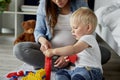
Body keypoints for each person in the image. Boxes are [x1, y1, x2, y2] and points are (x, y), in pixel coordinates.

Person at [13, 0, 88, 70]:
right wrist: (43, 41)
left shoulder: (80, 4)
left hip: (75, 50)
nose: (58, 1)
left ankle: (50, 64)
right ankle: (62, 65)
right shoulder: (44, 4)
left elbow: (88, 33)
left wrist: (68, 55)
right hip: (51, 51)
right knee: (19, 49)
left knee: (95, 50)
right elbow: (39, 30)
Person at [43, 7, 103, 80]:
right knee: (61, 73)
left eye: (75, 28)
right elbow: (76, 55)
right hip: (78, 70)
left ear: (88, 28)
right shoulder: (81, 41)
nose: (72, 31)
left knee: (78, 76)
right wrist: (68, 58)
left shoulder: (88, 38)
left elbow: (74, 49)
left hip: (91, 71)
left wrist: (53, 51)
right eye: (72, 28)